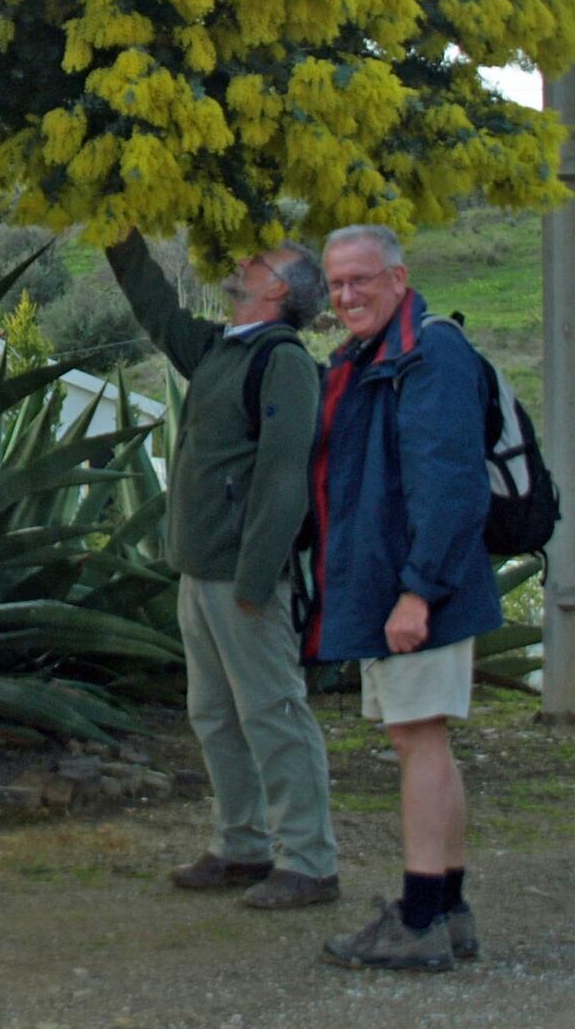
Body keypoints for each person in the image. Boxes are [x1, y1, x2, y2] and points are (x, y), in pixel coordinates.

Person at [105, 231, 338, 908]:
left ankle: (310, 861)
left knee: (273, 713)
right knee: (214, 714)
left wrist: (256, 576)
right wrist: (120, 237)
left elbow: (283, 478)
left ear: (279, 291)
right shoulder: (216, 349)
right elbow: (157, 311)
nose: (241, 265)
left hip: (244, 578)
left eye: (257, 263)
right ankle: (240, 846)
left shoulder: (284, 363)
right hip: (198, 572)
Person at [312, 224, 501, 974]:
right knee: (423, 739)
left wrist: (417, 592)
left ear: (399, 278)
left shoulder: (430, 351)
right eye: (337, 285)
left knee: (418, 739)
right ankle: (446, 911)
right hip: (405, 584)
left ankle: (419, 918)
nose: (349, 295)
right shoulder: (379, 353)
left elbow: (451, 482)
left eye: (362, 280)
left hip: (422, 589)